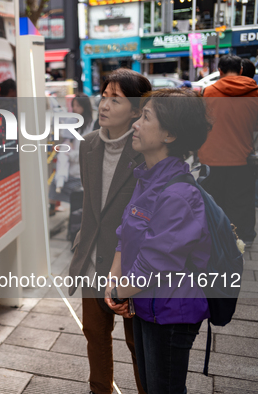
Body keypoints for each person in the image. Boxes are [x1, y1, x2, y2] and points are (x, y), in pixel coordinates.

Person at [105, 88, 212, 393]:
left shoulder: (179, 194)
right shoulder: (147, 176)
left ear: (170, 135)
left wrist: (116, 290)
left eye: (146, 117)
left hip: (170, 314)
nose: (136, 124)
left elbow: (152, 264)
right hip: (145, 302)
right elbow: (124, 234)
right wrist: (114, 283)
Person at [68, 69, 151, 394]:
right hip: (92, 260)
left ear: (135, 109)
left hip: (133, 268)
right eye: (104, 96)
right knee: (95, 335)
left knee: (138, 344)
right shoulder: (87, 144)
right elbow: (92, 205)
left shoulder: (148, 149)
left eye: (115, 99)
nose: (104, 104)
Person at [199, 55, 258, 246]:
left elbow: (200, 123)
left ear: (220, 71)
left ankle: (214, 238)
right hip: (242, 157)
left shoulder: (207, 92)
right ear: (241, 71)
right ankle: (243, 238)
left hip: (211, 157)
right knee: (241, 201)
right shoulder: (254, 92)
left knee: (213, 202)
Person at [49, 93, 94, 213]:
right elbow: (67, 141)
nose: (75, 108)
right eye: (73, 105)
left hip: (80, 172)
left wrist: (71, 154)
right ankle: (53, 206)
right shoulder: (74, 121)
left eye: (77, 105)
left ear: (85, 106)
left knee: (79, 206)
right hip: (71, 170)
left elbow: (88, 150)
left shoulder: (91, 125)